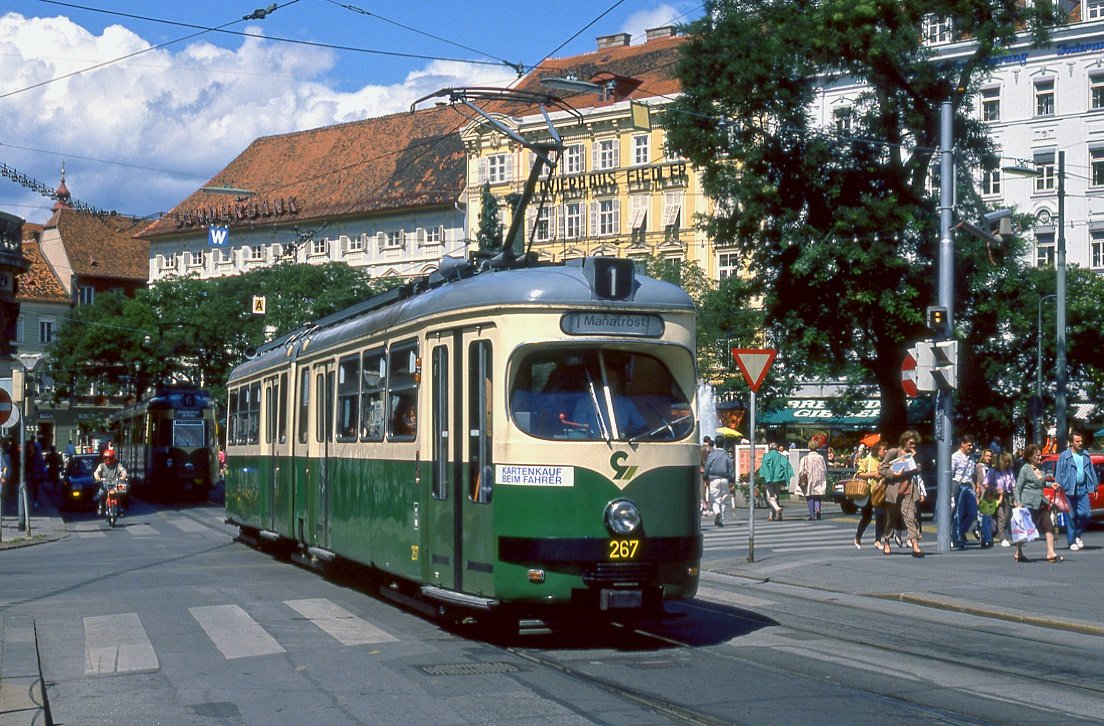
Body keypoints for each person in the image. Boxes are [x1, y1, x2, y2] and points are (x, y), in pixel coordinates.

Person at [879, 430, 925, 557]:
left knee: (910, 518)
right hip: (894, 490)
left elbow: (918, 469)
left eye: (915, 444)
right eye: (911, 443)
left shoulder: (914, 454)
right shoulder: (894, 452)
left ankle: (915, 546)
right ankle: (887, 541)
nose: (913, 446)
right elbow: (882, 469)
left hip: (909, 489)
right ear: (904, 441)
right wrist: (894, 474)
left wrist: (914, 460)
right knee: (890, 519)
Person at [1013, 443, 1060, 563]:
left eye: (1040, 455)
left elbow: (1042, 484)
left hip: (1041, 502)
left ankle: (1050, 552)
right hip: (1028, 503)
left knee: (1048, 525)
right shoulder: (1025, 469)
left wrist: (1051, 484)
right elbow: (1018, 488)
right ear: (1030, 457)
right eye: (1037, 456)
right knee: (1024, 530)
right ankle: (1019, 552)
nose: (1040, 458)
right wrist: (1018, 502)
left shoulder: (1041, 468)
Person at [1054, 431, 1098, 552]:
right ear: (1071, 442)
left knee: (1086, 514)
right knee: (1071, 516)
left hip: (1083, 489)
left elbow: (1091, 471)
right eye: (1077, 441)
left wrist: (1095, 487)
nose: (1080, 443)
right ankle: (1071, 541)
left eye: (1081, 441)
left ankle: (1077, 535)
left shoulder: (1085, 455)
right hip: (1068, 490)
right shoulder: (1064, 456)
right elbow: (1058, 472)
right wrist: (1058, 487)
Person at [853, 440, 887, 549]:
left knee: (880, 515)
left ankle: (878, 540)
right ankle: (858, 536)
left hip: (880, 492)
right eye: (883, 450)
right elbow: (859, 474)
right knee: (866, 518)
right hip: (868, 492)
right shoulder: (868, 460)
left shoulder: (886, 462)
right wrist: (873, 474)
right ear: (877, 450)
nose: (885, 452)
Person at [950, 434, 977, 550]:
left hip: (969, 486)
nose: (971, 447)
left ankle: (961, 532)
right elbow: (950, 474)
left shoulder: (972, 458)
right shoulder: (955, 457)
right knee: (958, 513)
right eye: (969, 445)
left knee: (973, 512)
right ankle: (956, 538)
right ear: (963, 444)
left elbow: (973, 474)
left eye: (972, 445)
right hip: (959, 486)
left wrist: (975, 487)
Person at [757, 441, 793, 521]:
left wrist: (763, 476)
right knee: (776, 495)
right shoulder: (781, 456)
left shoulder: (766, 456)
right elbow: (787, 467)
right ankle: (773, 515)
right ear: (777, 448)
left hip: (769, 479)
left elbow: (763, 469)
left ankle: (777, 509)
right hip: (778, 479)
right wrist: (786, 478)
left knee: (770, 497)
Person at [986, 451, 1016, 547]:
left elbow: (1013, 485)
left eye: (1008, 462)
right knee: (1001, 517)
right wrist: (995, 489)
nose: (1007, 464)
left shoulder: (1009, 472)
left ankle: (992, 534)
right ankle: (1002, 538)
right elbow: (986, 484)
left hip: (1006, 496)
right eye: (1005, 461)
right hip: (995, 496)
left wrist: (1015, 496)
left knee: (1005, 517)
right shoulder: (993, 471)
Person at [703, 434, 734, 527]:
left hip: (714, 478)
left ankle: (717, 512)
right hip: (725, 478)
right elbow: (731, 467)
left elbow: (708, 465)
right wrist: (731, 479)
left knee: (714, 499)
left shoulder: (713, 454)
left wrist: (705, 476)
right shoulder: (726, 454)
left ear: (715, 443)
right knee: (724, 499)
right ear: (723, 443)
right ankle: (722, 519)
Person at [93, 447, 129, 517]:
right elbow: (97, 472)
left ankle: (120, 508)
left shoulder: (118, 464)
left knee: (121, 494)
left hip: (116, 484)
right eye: (106, 458)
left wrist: (123, 476)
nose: (108, 459)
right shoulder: (101, 465)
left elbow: (123, 470)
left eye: (109, 458)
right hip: (105, 484)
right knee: (100, 494)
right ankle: (100, 506)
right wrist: (97, 477)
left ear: (113, 458)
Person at [797, 439, 827, 520]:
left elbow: (801, 470)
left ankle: (812, 515)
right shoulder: (821, 457)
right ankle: (818, 509)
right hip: (819, 478)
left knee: (809, 496)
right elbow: (824, 469)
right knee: (817, 495)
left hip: (809, 478)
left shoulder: (805, 458)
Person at [974, 448, 994, 548]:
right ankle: (985, 539)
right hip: (981, 494)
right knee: (982, 518)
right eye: (987, 456)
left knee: (988, 519)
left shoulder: (991, 468)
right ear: (983, 456)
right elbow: (976, 479)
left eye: (990, 456)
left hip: (990, 496)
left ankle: (987, 538)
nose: (989, 458)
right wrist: (977, 490)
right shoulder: (978, 467)